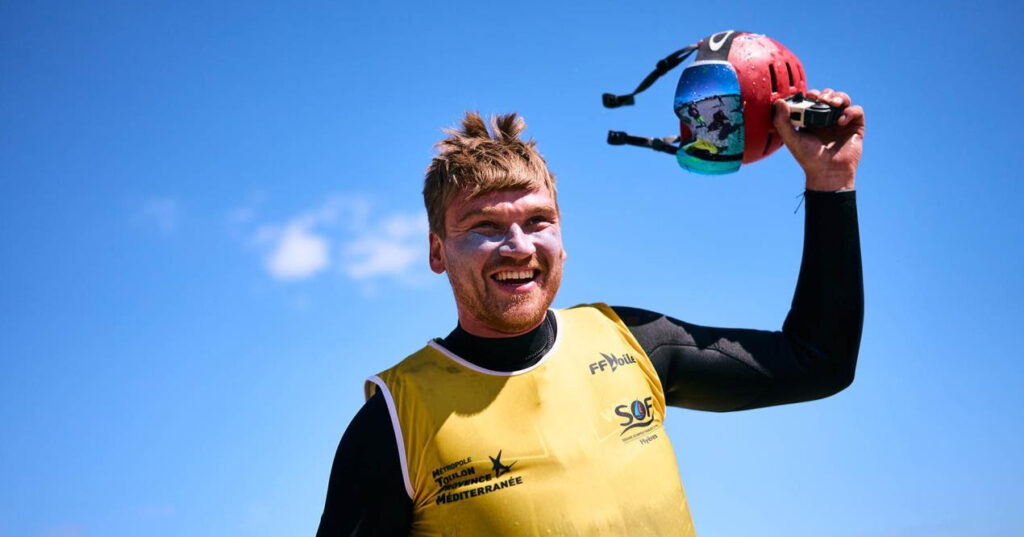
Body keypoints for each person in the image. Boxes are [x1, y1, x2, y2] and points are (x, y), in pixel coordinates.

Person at [316, 89, 865, 536]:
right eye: (483, 226)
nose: (518, 246)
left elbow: (820, 362)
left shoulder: (633, 342)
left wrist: (831, 181)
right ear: (438, 252)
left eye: (537, 221)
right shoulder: (394, 420)